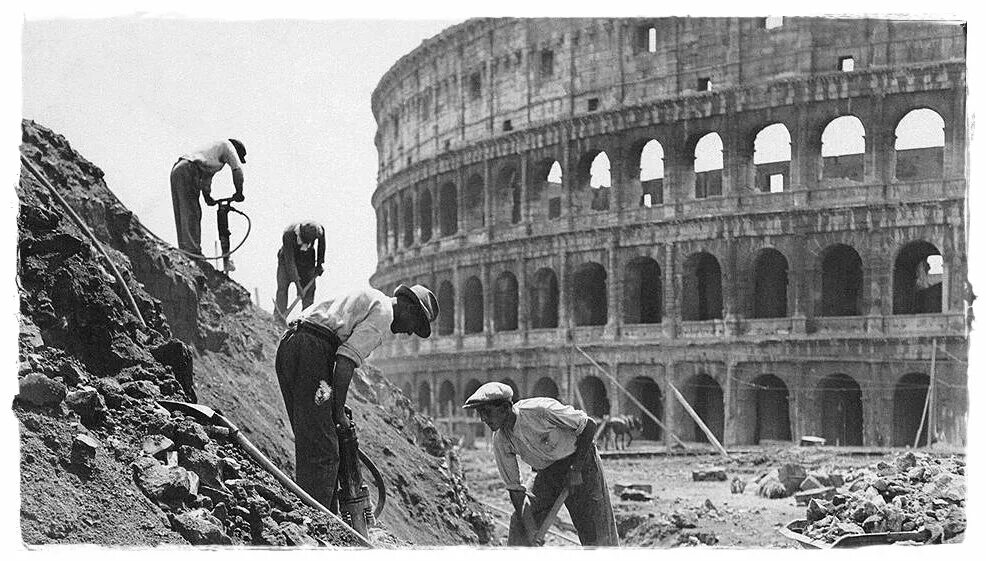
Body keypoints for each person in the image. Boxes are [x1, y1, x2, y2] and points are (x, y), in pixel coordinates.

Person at [274, 284, 439, 512]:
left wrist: (334, 402)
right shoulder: (384, 316)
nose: (410, 332)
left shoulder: (373, 299)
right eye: (415, 324)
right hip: (312, 350)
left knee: (312, 438)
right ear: (409, 308)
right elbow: (345, 360)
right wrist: (338, 410)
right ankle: (316, 522)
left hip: (292, 344)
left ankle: (323, 515)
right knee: (324, 449)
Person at [463, 382, 619, 547]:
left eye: (487, 412)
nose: (482, 419)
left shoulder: (540, 411)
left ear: (505, 408)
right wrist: (531, 531)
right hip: (546, 472)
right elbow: (515, 489)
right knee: (520, 524)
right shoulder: (500, 440)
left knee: (595, 530)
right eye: (480, 413)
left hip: (581, 462)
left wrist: (576, 469)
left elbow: (589, 425)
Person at [170, 138, 247, 255]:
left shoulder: (213, 154)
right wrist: (239, 192)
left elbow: (207, 178)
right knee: (192, 211)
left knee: (182, 211)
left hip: (178, 168)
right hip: (189, 169)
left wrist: (207, 196)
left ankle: (186, 251)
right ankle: (193, 251)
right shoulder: (228, 146)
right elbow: (237, 169)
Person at [276, 221, 326, 319]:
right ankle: (278, 318)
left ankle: (305, 319)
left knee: (309, 292)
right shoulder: (288, 234)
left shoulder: (319, 230)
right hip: (286, 261)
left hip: (307, 261)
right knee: (282, 287)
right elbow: (290, 262)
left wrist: (320, 264)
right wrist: (298, 286)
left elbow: (322, 245)